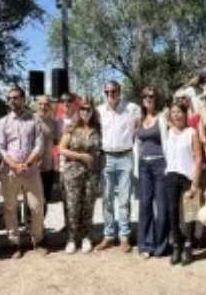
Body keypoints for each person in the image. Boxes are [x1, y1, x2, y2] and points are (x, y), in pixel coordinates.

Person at [0, 85, 47, 258]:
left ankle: (37, 241)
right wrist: (14, 165)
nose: (13, 100)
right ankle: (15, 244)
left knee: (37, 207)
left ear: (23, 99)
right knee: (10, 207)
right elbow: (0, 148)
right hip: (10, 172)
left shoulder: (34, 120)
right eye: (10, 98)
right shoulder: (3, 122)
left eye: (16, 97)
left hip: (30, 170)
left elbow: (39, 145)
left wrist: (26, 163)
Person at [97, 80, 141, 252]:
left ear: (119, 91)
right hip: (106, 157)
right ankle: (108, 235)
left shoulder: (132, 109)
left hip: (125, 157)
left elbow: (137, 130)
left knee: (124, 199)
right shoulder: (99, 111)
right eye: (107, 92)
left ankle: (124, 236)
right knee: (107, 198)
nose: (111, 95)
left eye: (114, 91)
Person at [58, 100, 102, 254]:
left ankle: (86, 237)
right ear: (78, 111)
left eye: (88, 109)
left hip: (92, 174)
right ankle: (71, 238)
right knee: (73, 206)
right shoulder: (71, 128)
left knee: (88, 206)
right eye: (82, 109)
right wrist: (80, 156)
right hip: (72, 173)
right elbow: (61, 149)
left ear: (92, 111)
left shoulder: (98, 129)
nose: (85, 112)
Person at [162, 102, 203, 265]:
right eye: (174, 112)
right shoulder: (168, 132)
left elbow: (198, 158)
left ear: (186, 114)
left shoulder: (191, 133)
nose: (177, 115)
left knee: (189, 214)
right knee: (172, 213)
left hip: (188, 177)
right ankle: (176, 247)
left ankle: (188, 246)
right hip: (171, 176)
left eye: (180, 112)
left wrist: (195, 183)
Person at [134, 86, 168, 259]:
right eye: (145, 96)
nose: (148, 98)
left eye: (152, 96)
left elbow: (168, 141)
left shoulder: (162, 118)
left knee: (161, 207)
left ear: (156, 99)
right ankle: (146, 245)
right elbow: (136, 144)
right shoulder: (139, 120)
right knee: (145, 206)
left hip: (160, 164)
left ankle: (161, 246)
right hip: (144, 166)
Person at [35, 94, 62, 217]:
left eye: (46, 104)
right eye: (40, 104)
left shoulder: (53, 123)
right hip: (32, 167)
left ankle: (40, 227)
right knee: (32, 199)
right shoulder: (30, 120)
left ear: (50, 106)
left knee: (45, 198)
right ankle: (30, 227)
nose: (43, 106)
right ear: (36, 105)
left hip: (48, 167)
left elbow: (57, 143)